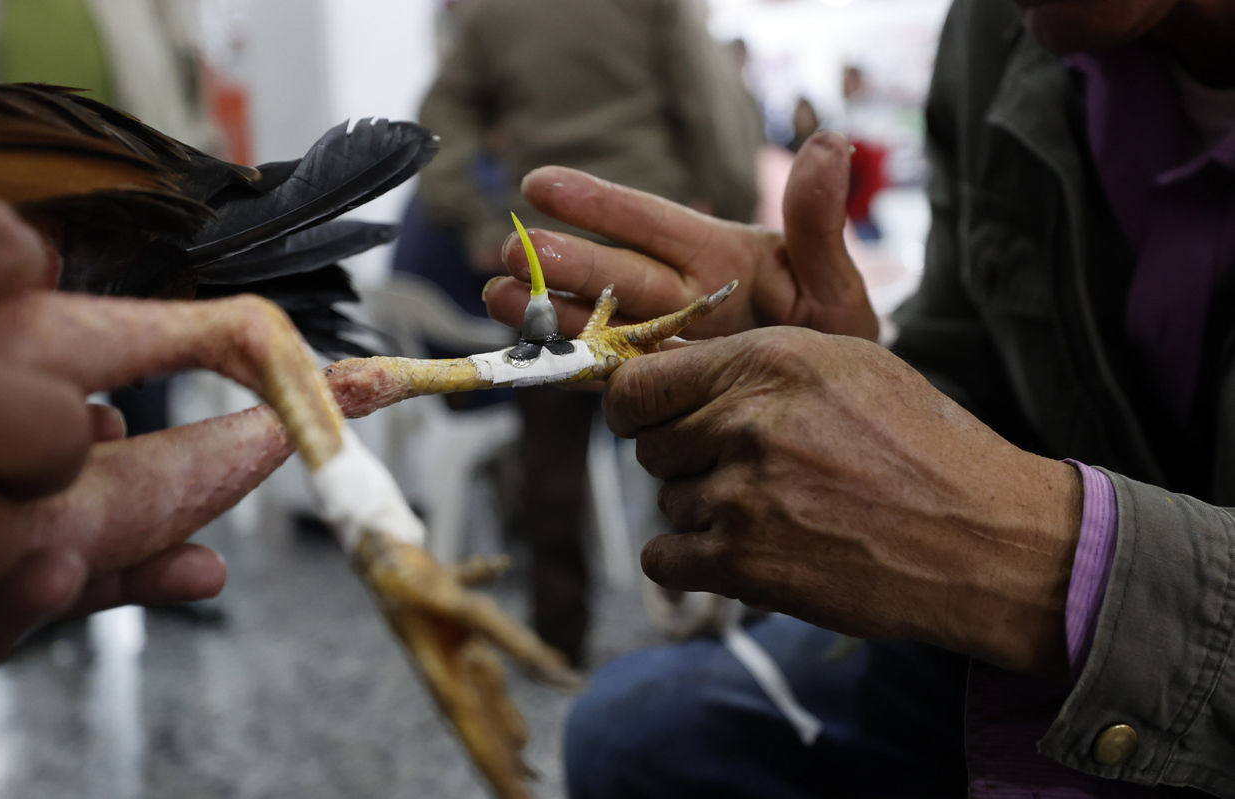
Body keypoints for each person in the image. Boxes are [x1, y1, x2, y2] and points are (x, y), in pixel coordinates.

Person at [481, 0, 1235, 795]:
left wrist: (1034, 563)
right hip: (1030, 667)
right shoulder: (1000, 32)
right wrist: (849, 374)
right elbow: (975, 361)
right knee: (630, 733)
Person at [417, 0, 760, 665]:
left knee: (550, 463)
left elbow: (440, 117)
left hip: (551, 249)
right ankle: (702, 630)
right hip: (652, 245)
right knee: (688, 439)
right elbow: (712, 104)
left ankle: (558, 640)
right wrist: (733, 214)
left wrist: (479, 220)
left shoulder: (494, 14)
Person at [0, 195, 227, 672]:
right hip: (118, 214)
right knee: (55, 424)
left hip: (152, 219)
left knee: (132, 415)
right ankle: (61, 587)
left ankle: (128, 557)